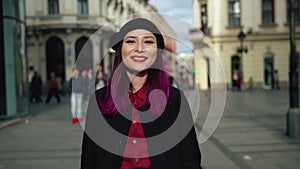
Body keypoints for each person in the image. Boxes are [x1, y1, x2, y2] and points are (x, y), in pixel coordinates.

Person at [81, 18, 202, 169]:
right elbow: (89, 160)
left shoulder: (174, 99)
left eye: (148, 42)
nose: (140, 48)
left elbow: (190, 159)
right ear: (120, 49)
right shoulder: (99, 100)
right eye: (131, 41)